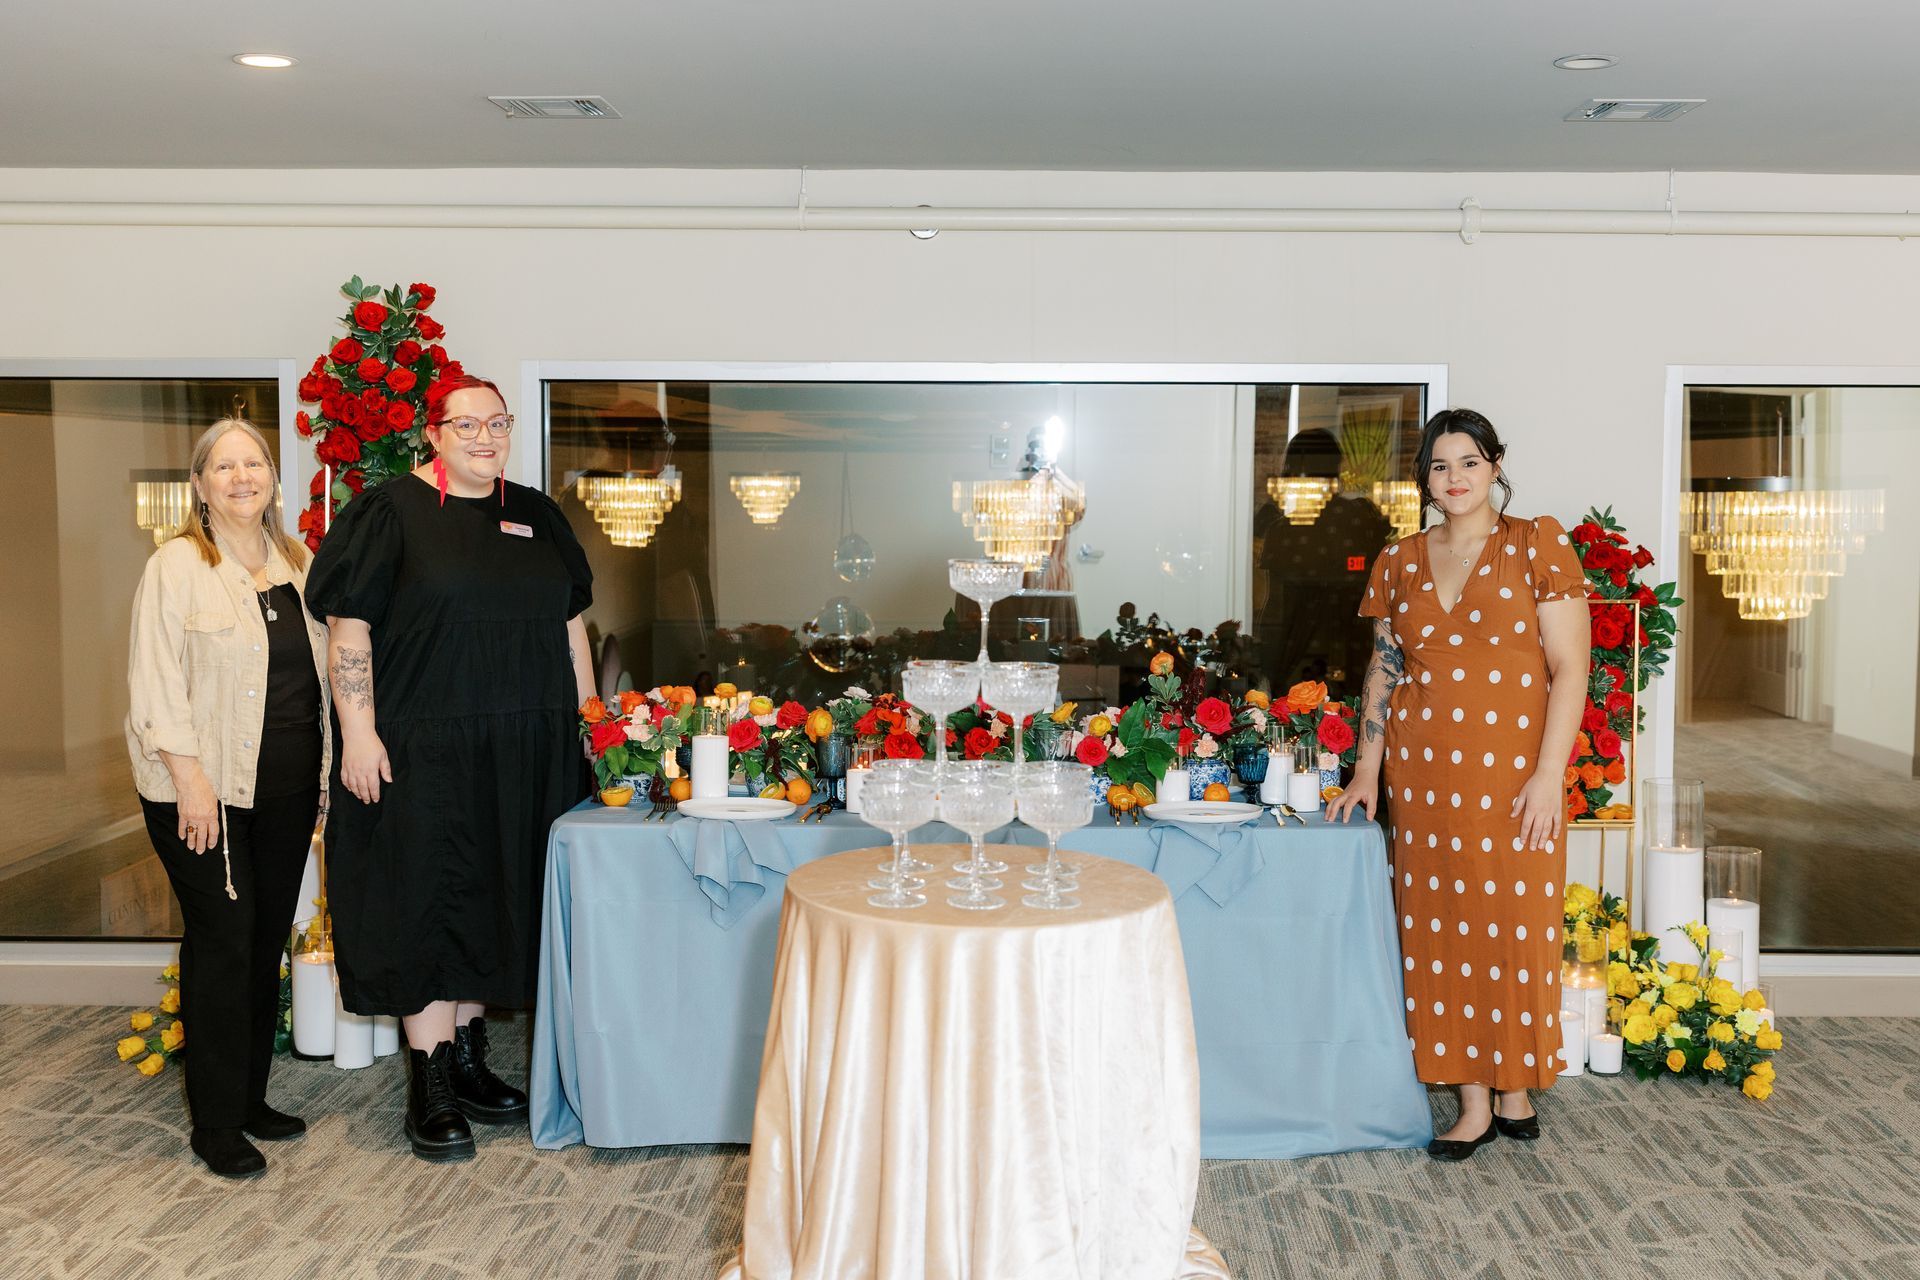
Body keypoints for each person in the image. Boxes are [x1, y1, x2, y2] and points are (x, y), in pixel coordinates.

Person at [304, 375, 594, 1162]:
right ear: (433, 433)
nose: (485, 436)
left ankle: (468, 1060)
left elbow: (571, 629)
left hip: (523, 746)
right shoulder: (389, 513)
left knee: (491, 890)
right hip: (419, 747)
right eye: (466, 423)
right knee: (425, 896)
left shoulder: (534, 513)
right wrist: (357, 732)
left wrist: (591, 720)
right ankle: (428, 1078)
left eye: (497, 423)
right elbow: (349, 629)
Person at [1328, 408, 1590, 1161]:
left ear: (1496, 464)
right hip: (1427, 777)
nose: (1455, 479)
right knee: (1439, 934)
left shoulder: (1537, 543)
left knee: (1514, 929)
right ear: (1426, 478)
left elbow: (1570, 667)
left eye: (1469, 463)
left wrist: (1550, 774)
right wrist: (1366, 772)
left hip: (1515, 777)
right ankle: (1473, 1101)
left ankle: (1514, 1084)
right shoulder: (1400, 559)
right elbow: (1385, 669)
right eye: (1440, 467)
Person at [125, 417, 330, 1179]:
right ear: (200, 484)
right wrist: (191, 783)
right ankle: (213, 1124)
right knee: (222, 943)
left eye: (255, 464)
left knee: (265, 940)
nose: (242, 476)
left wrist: (319, 784)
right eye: (225, 466)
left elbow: (314, 686)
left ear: (273, 477)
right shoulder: (177, 566)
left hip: (281, 790)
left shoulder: (299, 563)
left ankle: (247, 1098)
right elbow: (155, 686)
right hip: (200, 794)